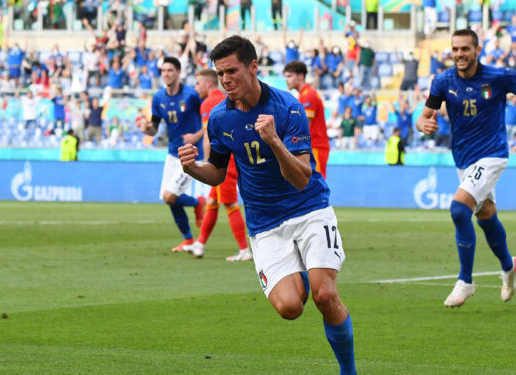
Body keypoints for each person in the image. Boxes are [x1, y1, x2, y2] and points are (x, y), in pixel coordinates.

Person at [178, 36, 356, 375]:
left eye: (231, 71)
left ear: (253, 67)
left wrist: (274, 141)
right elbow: (216, 173)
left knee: (324, 295)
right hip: (264, 224)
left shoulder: (288, 108)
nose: (226, 80)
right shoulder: (219, 119)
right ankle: (303, 271)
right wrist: (192, 168)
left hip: (308, 210)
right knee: (290, 307)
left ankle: (349, 371)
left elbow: (302, 177)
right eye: (220, 74)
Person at [416, 29, 516, 308]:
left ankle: (465, 281)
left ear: (477, 50)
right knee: (486, 216)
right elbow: (424, 115)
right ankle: (509, 266)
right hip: (464, 160)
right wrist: (423, 124)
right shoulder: (443, 81)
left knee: (458, 209)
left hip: (493, 155)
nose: (458, 54)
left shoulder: (499, 77)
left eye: (465, 49)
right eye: (454, 49)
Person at [136, 56, 205, 252]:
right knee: (169, 199)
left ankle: (198, 203)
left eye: (170, 70)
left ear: (178, 72)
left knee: (169, 196)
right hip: (172, 154)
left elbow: (209, 122)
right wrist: (146, 128)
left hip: (191, 154)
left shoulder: (191, 95)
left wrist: (196, 135)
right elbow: (154, 129)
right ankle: (189, 240)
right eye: (163, 71)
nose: (166, 74)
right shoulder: (158, 98)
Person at [183, 69, 251, 261]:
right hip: (235, 154)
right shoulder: (227, 99)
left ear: (208, 84)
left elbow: (208, 136)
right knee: (212, 202)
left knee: (229, 202)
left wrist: (208, 162)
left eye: (198, 84)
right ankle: (200, 244)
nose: (196, 88)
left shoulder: (208, 104)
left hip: (223, 160)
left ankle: (245, 250)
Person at [283, 61, 330, 179]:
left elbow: (303, 125)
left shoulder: (308, 95)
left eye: (289, 76)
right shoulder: (303, 96)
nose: (286, 80)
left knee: (316, 183)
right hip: (309, 146)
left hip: (315, 146)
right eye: (286, 76)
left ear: (301, 76)